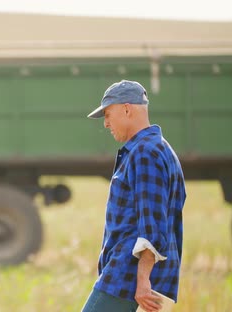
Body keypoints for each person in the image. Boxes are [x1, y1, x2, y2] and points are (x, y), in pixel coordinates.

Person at [81, 80, 186, 312]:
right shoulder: (160, 149)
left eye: (108, 114)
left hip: (128, 280)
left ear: (127, 109)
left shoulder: (145, 153)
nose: (106, 124)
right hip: (145, 281)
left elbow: (152, 224)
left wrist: (142, 281)